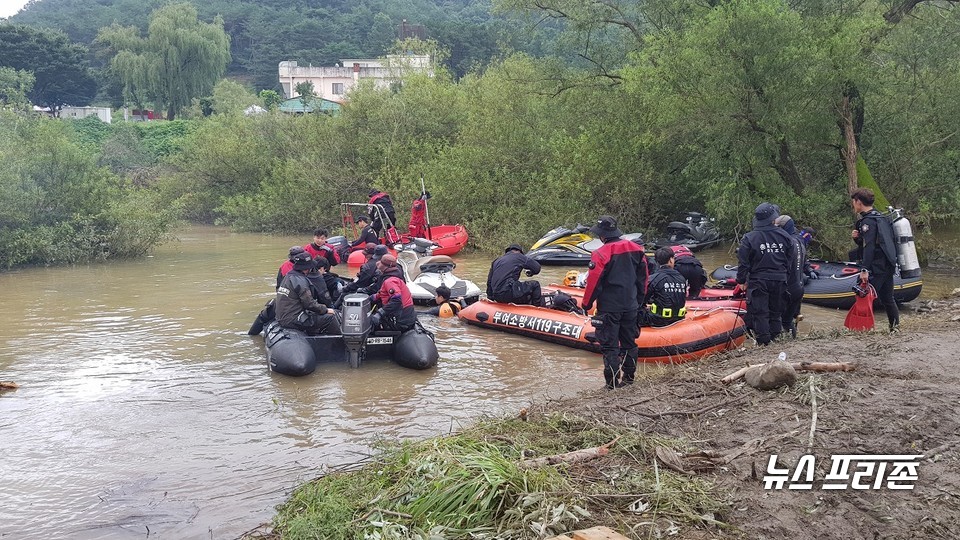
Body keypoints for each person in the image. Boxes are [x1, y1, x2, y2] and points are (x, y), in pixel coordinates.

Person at [582, 215, 648, 389]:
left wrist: (586, 305)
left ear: (602, 236)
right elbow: (643, 280)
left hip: (609, 308)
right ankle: (629, 379)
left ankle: (611, 384)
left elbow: (593, 282)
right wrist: (639, 301)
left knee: (610, 346)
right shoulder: (637, 249)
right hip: (631, 306)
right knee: (629, 343)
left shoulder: (600, 253)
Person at [735, 202, 795, 346]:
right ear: (773, 219)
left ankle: (764, 343)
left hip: (758, 281)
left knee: (760, 313)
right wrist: (784, 275)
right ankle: (776, 340)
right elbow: (789, 260)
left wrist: (741, 280)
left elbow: (743, 262)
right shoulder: (786, 237)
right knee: (776, 312)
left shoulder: (749, 238)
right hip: (780, 279)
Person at [851, 188, 899, 331]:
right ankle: (895, 328)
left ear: (859, 202)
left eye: (854, 202)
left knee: (864, 296)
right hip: (888, 264)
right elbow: (876, 242)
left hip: (877, 266)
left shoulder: (868, 222)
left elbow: (870, 247)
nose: (853, 205)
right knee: (888, 299)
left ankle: (863, 328)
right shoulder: (880, 217)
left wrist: (864, 270)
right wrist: (858, 239)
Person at [275, 252, 340, 335]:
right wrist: (326, 309)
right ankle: (340, 342)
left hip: (283, 317)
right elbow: (309, 304)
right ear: (307, 268)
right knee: (330, 317)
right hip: (293, 320)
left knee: (314, 314)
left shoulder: (288, 276)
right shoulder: (301, 281)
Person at [639, 247, 688, 327]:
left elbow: (641, 301)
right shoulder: (681, 278)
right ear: (671, 260)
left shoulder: (653, 278)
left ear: (657, 261)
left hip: (658, 320)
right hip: (678, 318)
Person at [370, 254, 417, 332]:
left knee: (373, 325)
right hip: (406, 314)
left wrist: (380, 313)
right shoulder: (393, 277)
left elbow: (397, 299)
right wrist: (373, 297)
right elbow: (384, 292)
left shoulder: (390, 281)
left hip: (402, 319)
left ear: (384, 266)